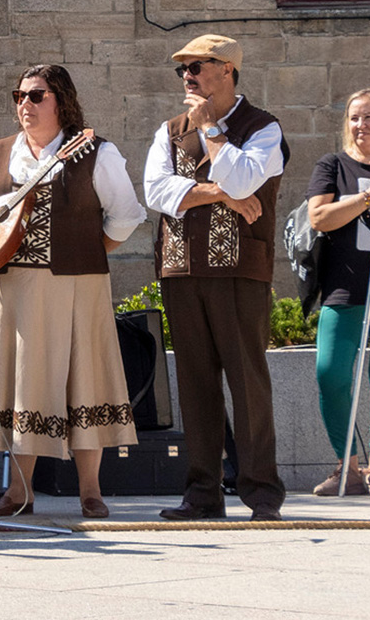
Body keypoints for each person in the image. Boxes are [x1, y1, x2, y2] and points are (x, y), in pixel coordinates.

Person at [0, 65, 144, 519]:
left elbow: (125, 216)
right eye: (19, 95)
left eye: (36, 95)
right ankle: (19, 490)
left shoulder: (95, 153)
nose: (24, 103)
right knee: (21, 383)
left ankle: (90, 489)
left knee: (85, 379)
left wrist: (84, 250)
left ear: (60, 100)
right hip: (12, 288)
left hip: (77, 285)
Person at [141, 34, 287, 522]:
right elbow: (157, 191)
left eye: (198, 66)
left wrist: (215, 136)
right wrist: (219, 194)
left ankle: (262, 493)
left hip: (240, 272)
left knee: (247, 381)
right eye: (183, 69)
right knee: (195, 383)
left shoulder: (264, 128)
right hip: (181, 270)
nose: (187, 76)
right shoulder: (170, 129)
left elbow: (248, 180)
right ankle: (202, 493)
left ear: (227, 70)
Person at [306, 87, 370, 497]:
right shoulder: (333, 165)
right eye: (353, 118)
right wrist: (369, 196)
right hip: (344, 288)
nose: (360, 125)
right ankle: (346, 465)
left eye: (369, 117)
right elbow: (319, 217)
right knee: (331, 374)